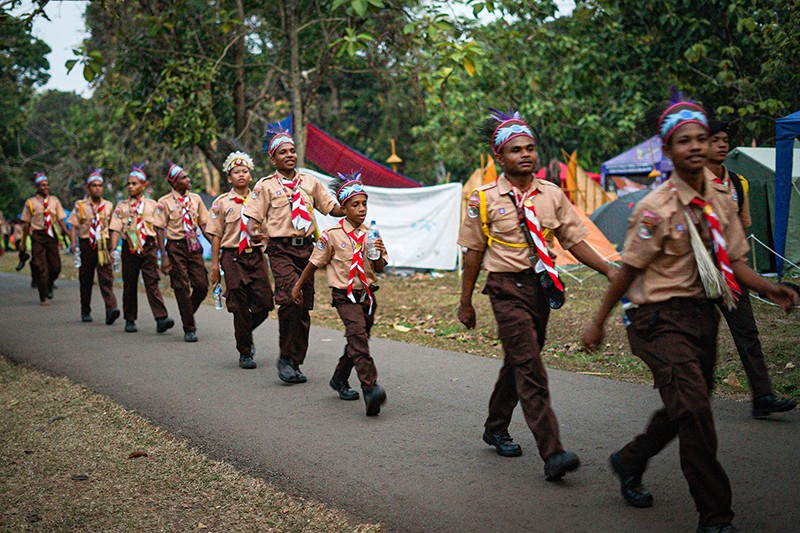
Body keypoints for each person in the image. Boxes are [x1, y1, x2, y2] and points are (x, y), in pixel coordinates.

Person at [581, 99, 798, 533]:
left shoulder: (721, 197)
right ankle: (715, 517)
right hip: (656, 320)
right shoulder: (655, 208)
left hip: (702, 316)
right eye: (685, 141)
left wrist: (768, 287)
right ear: (667, 150)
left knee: (686, 404)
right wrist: (598, 320)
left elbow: (733, 260)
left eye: (702, 138)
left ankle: (630, 459)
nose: (696, 146)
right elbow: (628, 270)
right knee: (695, 409)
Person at [457, 108, 615, 481]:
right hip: (504, 288)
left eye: (530, 148)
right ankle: (553, 451)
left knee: (520, 360)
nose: (525, 154)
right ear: (499, 157)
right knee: (530, 366)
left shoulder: (552, 195)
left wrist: (609, 269)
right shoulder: (483, 199)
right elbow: (473, 253)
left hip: (541, 287)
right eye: (516, 150)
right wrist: (465, 302)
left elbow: (574, 240)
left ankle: (495, 426)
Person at [706, 120, 796, 418]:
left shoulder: (738, 183)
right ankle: (689, 399)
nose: (721, 145)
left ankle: (763, 396)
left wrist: (756, 279)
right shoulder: (691, 183)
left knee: (748, 333)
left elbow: (740, 233)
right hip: (696, 275)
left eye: (724, 139)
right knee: (698, 338)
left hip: (731, 272)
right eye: (714, 139)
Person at [244, 129, 345, 384]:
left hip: (307, 250)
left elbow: (331, 208)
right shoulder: (265, 186)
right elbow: (253, 217)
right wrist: (253, 231)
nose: (289, 155)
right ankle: (286, 359)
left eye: (292, 151)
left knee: (303, 306)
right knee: (291, 298)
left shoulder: (310, 183)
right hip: (280, 249)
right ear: (273, 159)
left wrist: (350, 204)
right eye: (282, 152)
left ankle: (295, 361)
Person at [292, 172, 388, 415]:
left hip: (367, 295)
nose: (361, 209)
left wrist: (377, 253)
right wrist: (298, 286)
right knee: (357, 335)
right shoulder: (331, 235)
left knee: (359, 338)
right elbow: (314, 263)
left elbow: (379, 267)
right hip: (344, 295)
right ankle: (370, 387)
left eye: (364, 203)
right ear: (343, 208)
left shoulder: (372, 233)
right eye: (355, 205)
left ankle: (339, 378)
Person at [206, 151, 275, 369]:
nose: (241, 175)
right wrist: (215, 267)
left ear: (250, 175)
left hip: (255, 256)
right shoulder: (221, 203)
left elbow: (268, 229)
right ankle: (245, 352)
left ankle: (245, 330)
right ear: (229, 178)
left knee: (265, 303)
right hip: (232, 257)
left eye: (245, 171)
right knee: (240, 305)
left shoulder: (260, 200)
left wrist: (264, 239)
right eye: (236, 172)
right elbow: (215, 236)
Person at [108, 164, 175, 334]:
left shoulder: (153, 205)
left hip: (148, 246)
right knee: (129, 283)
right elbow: (115, 229)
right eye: (129, 184)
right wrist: (113, 250)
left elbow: (159, 228)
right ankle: (130, 319)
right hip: (129, 248)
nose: (131, 187)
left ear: (143, 185)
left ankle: (161, 318)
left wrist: (162, 251)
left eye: (134, 183)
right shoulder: (121, 207)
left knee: (152, 281)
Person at [154, 163, 210, 342]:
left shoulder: (196, 199)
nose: (188, 180)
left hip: (193, 245)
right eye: (184, 178)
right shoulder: (164, 202)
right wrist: (164, 256)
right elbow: (159, 229)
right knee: (182, 287)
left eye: (187, 176)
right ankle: (189, 328)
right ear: (174, 182)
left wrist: (217, 246)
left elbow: (204, 224)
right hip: (175, 246)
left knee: (202, 285)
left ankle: (187, 312)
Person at [67, 169, 120, 324]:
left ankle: (111, 309)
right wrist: (73, 244)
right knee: (86, 277)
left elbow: (113, 227)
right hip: (86, 244)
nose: (97, 188)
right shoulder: (80, 205)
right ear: (88, 188)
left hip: (103, 243)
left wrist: (113, 248)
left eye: (100, 186)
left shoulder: (108, 205)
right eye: (94, 186)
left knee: (106, 276)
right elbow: (74, 226)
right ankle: (85, 310)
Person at [19, 172, 71, 305]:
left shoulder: (54, 201)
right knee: (39, 266)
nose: (46, 187)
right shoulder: (30, 203)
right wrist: (23, 242)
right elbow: (27, 224)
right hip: (38, 236)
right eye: (42, 185)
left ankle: (49, 284)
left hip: (52, 235)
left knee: (56, 266)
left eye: (47, 185)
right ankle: (43, 296)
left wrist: (69, 235)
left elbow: (60, 220)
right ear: (37, 187)